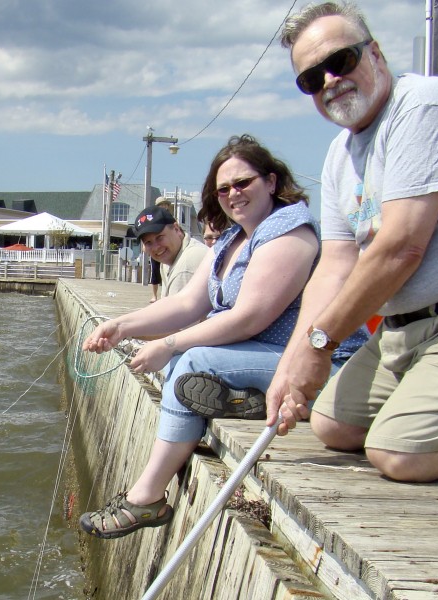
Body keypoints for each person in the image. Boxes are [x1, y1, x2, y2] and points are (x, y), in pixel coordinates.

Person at [266, 1, 438, 483]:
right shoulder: (340, 155)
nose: (329, 82)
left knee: (399, 454)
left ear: (376, 54)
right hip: (409, 329)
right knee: (332, 425)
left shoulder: (425, 105)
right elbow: (335, 265)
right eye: (310, 78)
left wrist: (320, 345)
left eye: (340, 61)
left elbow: (401, 246)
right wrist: (294, 357)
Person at [78, 134, 363, 539]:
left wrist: (168, 344)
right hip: (264, 355)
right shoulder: (232, 239)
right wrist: (122, 325)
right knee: (185, 364)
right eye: (223, 188)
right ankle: (248, 398)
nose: (233, 194)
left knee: (191, 362)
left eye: (243, 183)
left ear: (271, 181)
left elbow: (249, 318)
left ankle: (147, 498)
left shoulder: (289, 233)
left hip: (319, 362)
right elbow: (189, 305)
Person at [132, 205, 209, 299]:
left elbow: (177, 311)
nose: (156, 248)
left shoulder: (186, 264)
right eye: (148, 242)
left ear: (176, 229)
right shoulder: (171, 259)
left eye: (159, 238)